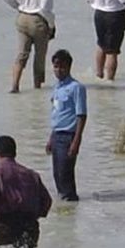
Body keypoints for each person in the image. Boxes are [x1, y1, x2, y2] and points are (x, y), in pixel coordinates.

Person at [3, 0, 56, 93]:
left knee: (22, 54)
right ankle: (37, 88)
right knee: (39, 56)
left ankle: (14, 86)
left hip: (22, 19)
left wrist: (19, 7)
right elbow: (45, 8)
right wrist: (51, 25)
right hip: (37, 21)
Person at [46, 51, 86, 202]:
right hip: (57, 135)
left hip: (68, 136)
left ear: (69, 67)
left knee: (65, 173)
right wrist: (51, 138)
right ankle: (63, 206)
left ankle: (71, 201)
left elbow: (81, 115)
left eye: (62, 67)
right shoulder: (57, 88)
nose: (58, 70)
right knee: (57, 174)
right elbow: (56, 114)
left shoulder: (76, 88)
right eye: (56, 67)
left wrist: (76, 141)